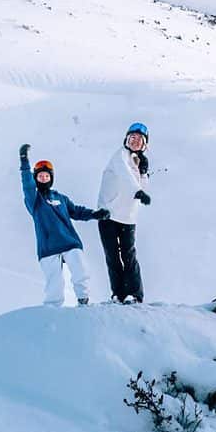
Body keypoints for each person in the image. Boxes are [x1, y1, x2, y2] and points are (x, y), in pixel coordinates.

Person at [20, 143, 110, 306]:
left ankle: (83, 300)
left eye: (47, 176)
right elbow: (27, 186)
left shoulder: (60, 198)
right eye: (40, 176)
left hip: (69, 242)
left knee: (80, 269)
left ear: (51, 178)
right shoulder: (34, 201)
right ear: (36, 179)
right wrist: (24, 162)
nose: (44, 178)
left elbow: (76, 211)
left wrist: (95, 214)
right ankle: (52, 310)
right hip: (48, 248)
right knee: (54, 283)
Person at [97, 122, 152, 303]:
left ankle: (135, 294)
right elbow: (124, 174)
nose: (135, 142)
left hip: (128, 217)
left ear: (144, 145)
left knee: (129, 255)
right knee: (112, 256)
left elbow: (143, 189)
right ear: (126, 139)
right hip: (108, 214)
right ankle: (118, 293)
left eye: (140, 140)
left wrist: (143, 173)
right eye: (132, 138)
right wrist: (138, 190)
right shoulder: (119, 155)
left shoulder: (138, 162)